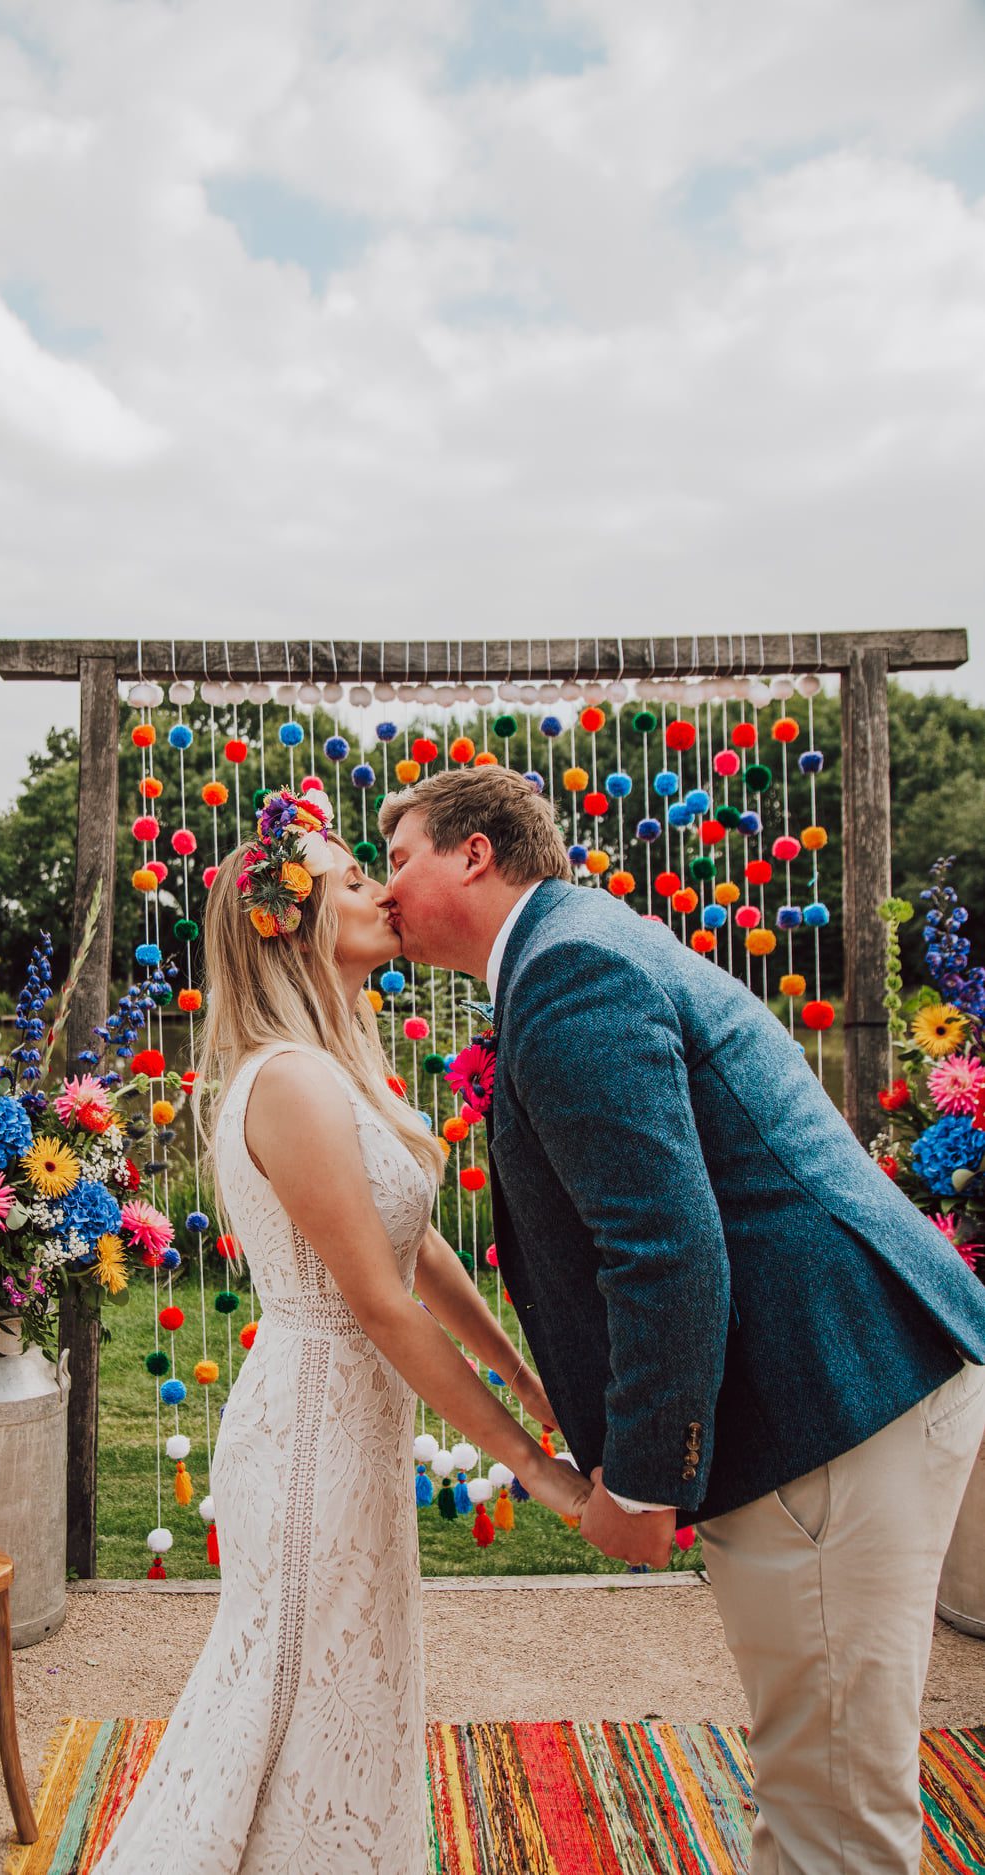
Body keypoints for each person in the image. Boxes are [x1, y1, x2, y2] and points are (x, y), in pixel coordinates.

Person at [377, 763, 985, 1875]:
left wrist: (644, 1481)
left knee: (831, 1811)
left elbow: (663, 1247)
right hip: (859, 1369)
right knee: (829, 1782)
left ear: (473, 853)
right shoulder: (578, 941)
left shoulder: (567, 975)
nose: (382, 893)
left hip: (825, 1402)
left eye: (398, 858)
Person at [94, 782, 588, 1875]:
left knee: (351, 1690)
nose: (380, 891)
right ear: (298, 921)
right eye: (356, 880)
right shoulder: (290, 1085)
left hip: (356, 1422)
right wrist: (532, 1470)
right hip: (311, 1424)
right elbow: (375, 1300)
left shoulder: (346, 1068)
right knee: (284, 1690)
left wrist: (532, 1377)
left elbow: (420, 1250)